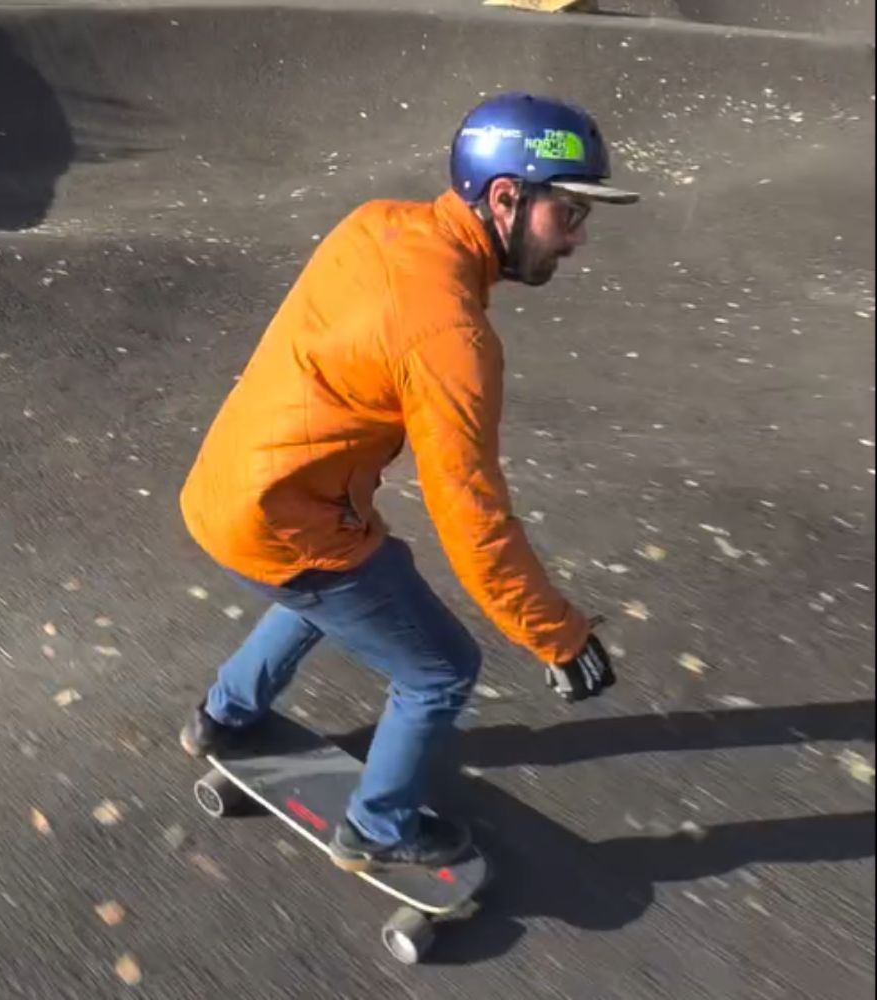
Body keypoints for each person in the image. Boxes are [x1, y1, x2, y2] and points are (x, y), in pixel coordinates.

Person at [178, 92, 638, 872]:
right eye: (568, 214)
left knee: (349, 581)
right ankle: (377, 830)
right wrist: (558, 637)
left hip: (227, 490)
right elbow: (474, 520)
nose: (578, 241)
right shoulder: (451, 338)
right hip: (289, 521)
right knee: (440, 667)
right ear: (505, 198)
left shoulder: (378, 223)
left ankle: (221, 719)